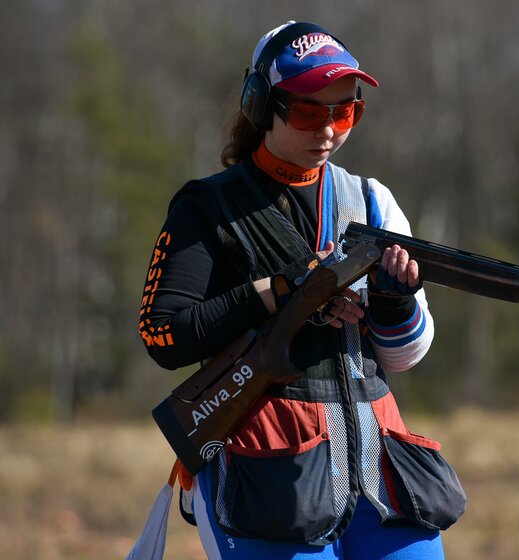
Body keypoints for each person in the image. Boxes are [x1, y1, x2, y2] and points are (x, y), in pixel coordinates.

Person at [137, 20, 466, 560]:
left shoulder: (372, 200)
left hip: (380, 472)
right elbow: (162, 334)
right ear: (262, 105)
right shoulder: (207, 206)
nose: (330, 130)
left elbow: (404, 357)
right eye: (309, 112)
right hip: (264, 475)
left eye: (345, 111)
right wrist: (277, 292)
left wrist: (393, 300)